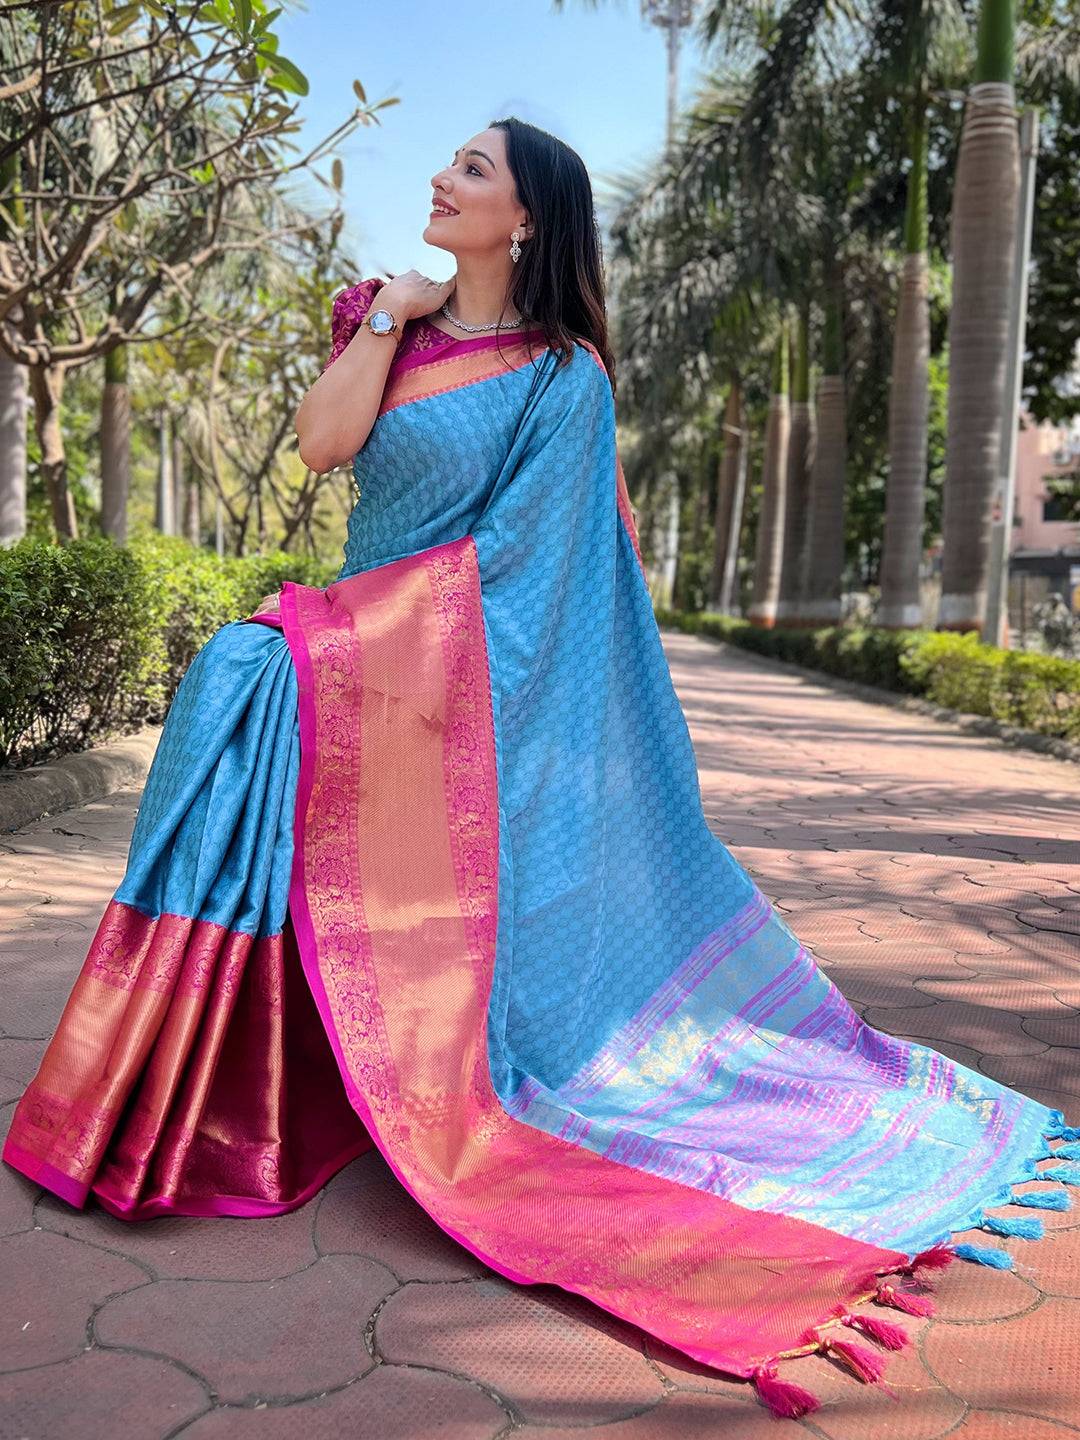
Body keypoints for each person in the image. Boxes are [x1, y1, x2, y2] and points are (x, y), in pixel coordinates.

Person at [3, 117, 1074, 1420]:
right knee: (234, 728)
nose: (441, 181)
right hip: (356, 654)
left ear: (525, 220)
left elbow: (534, 578)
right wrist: (388, 322)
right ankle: (203, 1089)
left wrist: (371, 652)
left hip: (448, 680)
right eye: (448, 164)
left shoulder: (565, 379)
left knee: (317, 775)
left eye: (472, 172)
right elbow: (324, 449)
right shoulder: (381, 318)